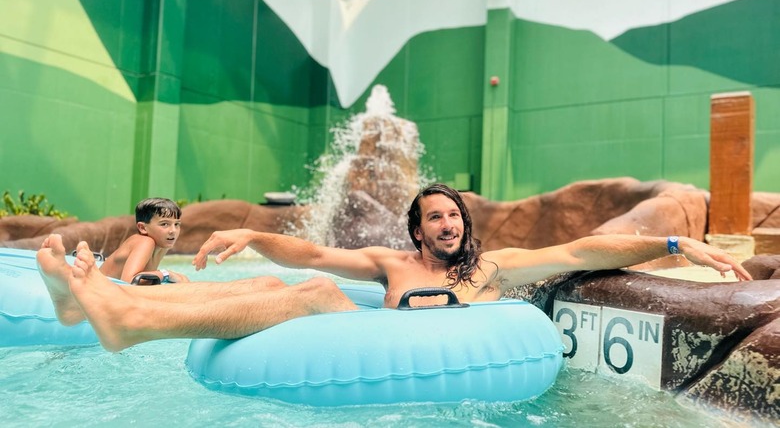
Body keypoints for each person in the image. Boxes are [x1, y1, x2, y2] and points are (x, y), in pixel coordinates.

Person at [36, 183, 752, 352]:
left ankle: (122, 314)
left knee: (313, 292)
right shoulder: (390, 263)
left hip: (447, 369)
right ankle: (100, 309)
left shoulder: (491, 269)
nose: (450, 224)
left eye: (455, 216)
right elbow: (312, 252)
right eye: (436, 217)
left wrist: (673, 245)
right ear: (417, 229)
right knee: (280, 283)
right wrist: (252, 237)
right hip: (372, 353)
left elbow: (581, 252)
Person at [98, 197, 190, 285]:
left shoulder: (162, 245)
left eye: (177, 224)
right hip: (98, 287)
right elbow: (130, 282)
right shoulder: (145, 242)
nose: (173, 230)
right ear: (142, 228)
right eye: (164, 224)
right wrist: (167, 274)